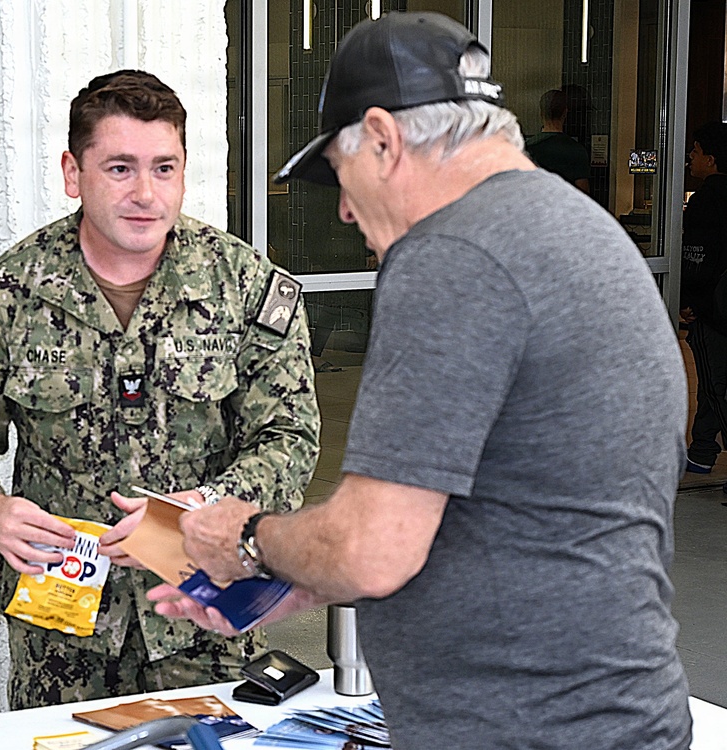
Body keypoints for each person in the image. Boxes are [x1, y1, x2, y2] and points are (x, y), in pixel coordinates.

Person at [144, 13, 692, 750]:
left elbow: (374, 547)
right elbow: (520, 509)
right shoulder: (579, 230)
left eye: (339, 175)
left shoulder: (453, 254)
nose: (342, 209)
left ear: (382, 137)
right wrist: (306, 579)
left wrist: (245, 538)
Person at [0, 70, 321, 709]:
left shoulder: (244, 289)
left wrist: (206, 507)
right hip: (64, 628)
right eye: (120, 168)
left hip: (203, 606)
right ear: (74, 174)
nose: (146, 194)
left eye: (164, 168)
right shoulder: (9, 296)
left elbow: (289, 437)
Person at [679, 121, 727, 476]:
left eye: (695, 152)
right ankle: (702, 450)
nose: (690, 159)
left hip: (713, 310)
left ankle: (704, 449)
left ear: (710, 160)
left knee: (713, 385)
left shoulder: (705, 202)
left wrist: (688, 300)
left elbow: (698, 259)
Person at [525, 89, 591, 193]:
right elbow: (583, 193)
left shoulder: (527, 148)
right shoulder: (577, 150)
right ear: (565, 113)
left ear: (541, 112)